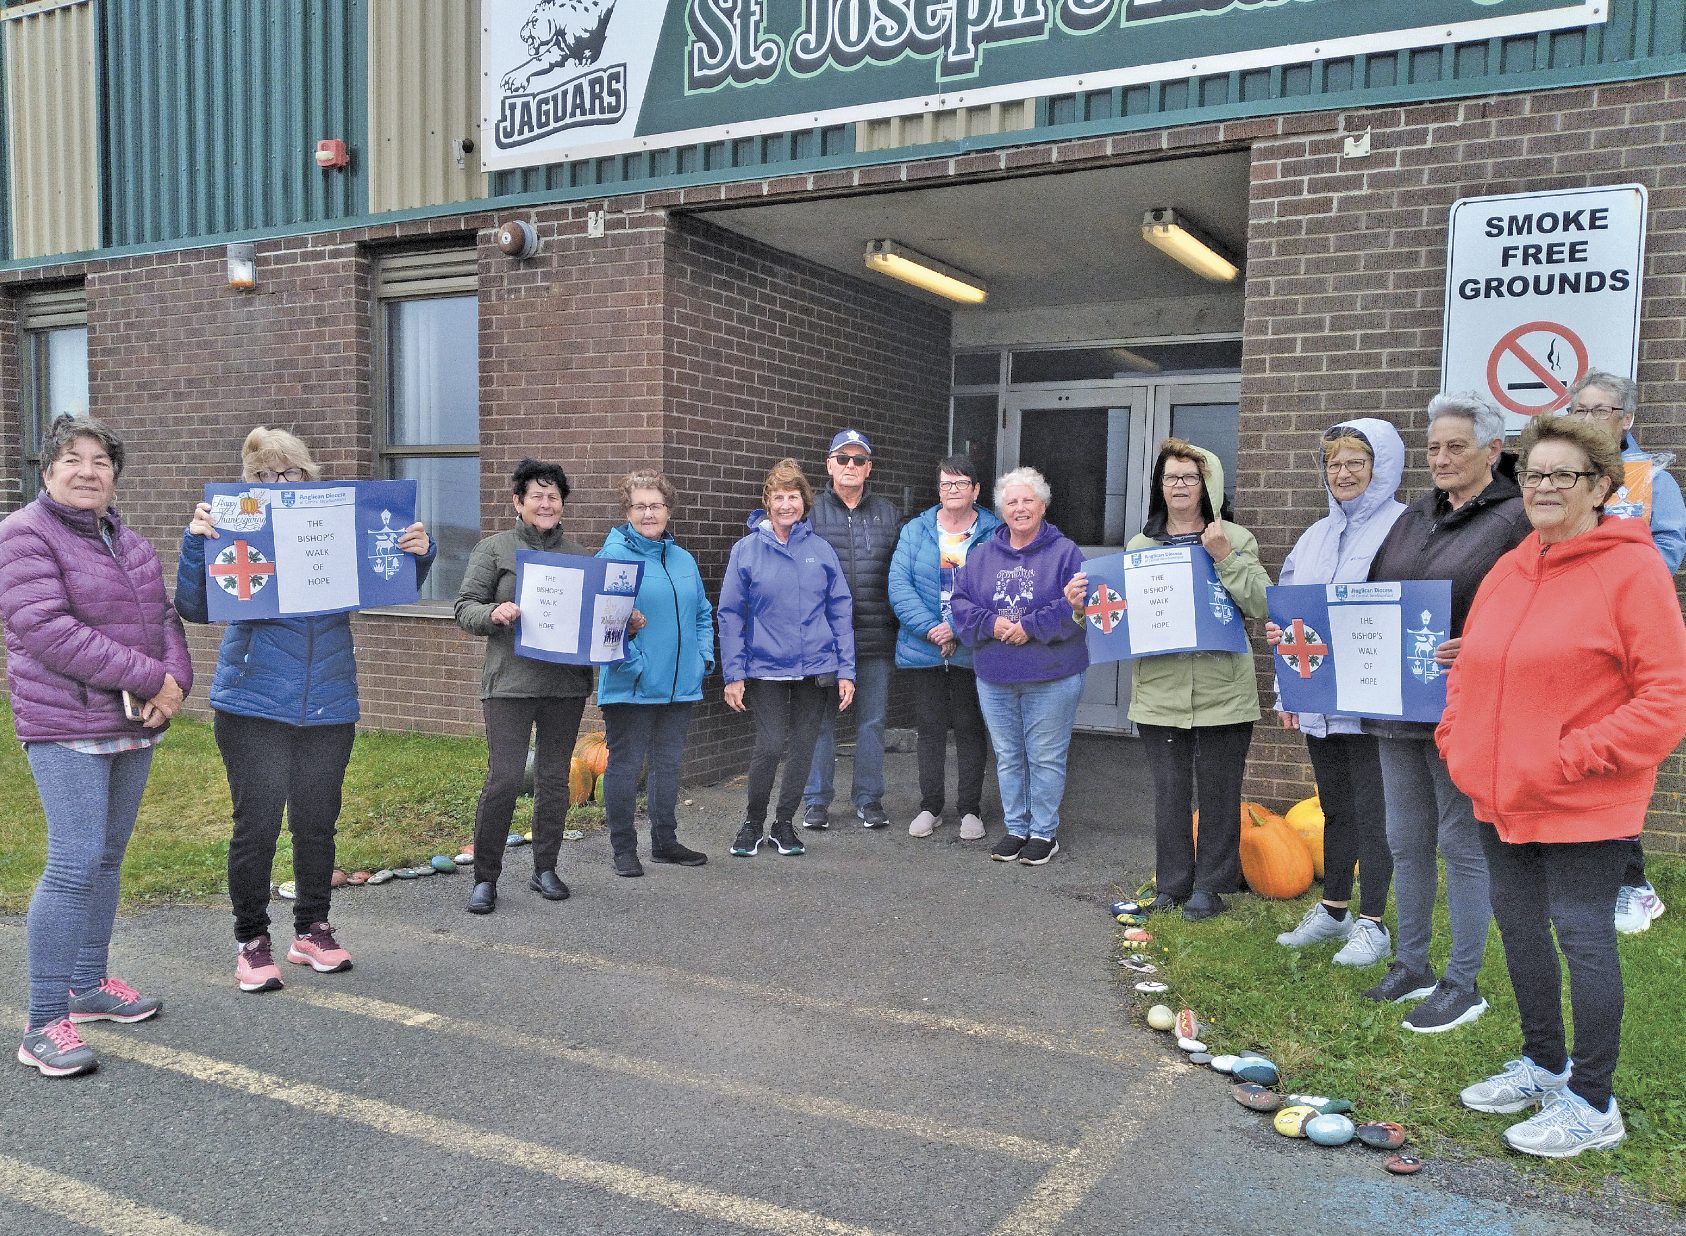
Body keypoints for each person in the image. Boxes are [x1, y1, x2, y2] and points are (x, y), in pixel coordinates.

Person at [1442, 414, 1686, 1158]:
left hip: (1584, 798)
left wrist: (1569, 757)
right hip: (1502, 792)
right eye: (1533, 474)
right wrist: (1458, 740)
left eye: (1563, 475)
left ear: (1602, 486)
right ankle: (1545, 1062)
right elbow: (1474, 666)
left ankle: (1593, 1102)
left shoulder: (1632, 570)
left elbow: (1666, 699)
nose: (1543, 486)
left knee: (1583, 939)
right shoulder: (1512, 566)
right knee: (1519, 932)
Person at [178, 427, 433, 990]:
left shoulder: (339, 523)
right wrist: (198, 543)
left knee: (317, 826)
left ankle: (312, 930)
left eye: (290, 471)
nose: (279, 482)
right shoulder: (233, 527)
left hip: (329, 704)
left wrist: (418, 553)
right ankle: (252, 941)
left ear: (308, 476)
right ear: (249, 483)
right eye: (265, 475)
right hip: (253, 704)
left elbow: (386, 581)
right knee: (257, 827)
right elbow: (195, 606)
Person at [2, 416, 191, 1076]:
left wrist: (175, 684)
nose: (87, 471)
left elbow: (163, 619)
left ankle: (87, 986)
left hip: (129, 724)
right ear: (47, 470)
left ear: (115, 475)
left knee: (107, 858)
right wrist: (150, 679)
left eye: (101, 461)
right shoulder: (23, 535)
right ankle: (42, 1023)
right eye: (72, 459)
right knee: (74, 861)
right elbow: (47, 629)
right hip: (64, 725)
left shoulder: (128, 541)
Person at [1361, 391, 1531, 1032]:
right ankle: (1412, 964)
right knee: (1405, 839)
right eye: (1433, 448)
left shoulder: (1516, 519)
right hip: (1398, 706)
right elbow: (1372, 595)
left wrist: (1483, 643)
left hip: (1465, 705)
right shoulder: (1413, 517)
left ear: (1493, 451)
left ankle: (1463, 982)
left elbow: (1534, 607)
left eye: (1456, 446)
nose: (1441, 458)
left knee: (1460, 843)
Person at [1265, 420, 1406, 963]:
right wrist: (1289, 694)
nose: (1343, 473)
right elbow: (1290, 619)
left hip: (1373, 701)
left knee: (1375, 812)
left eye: (1356, 463)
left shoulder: (1404, 528)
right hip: (1321, 695)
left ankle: (1374, 923)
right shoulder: (1312, 537)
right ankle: (1334, 909)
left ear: (1381, 468)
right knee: (1336, 807)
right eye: (1334, 463)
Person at [1123, 441, 1270, 919]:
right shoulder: (1139, 547)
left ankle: (1211, 886)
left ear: (1209, 486)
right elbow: (1121, 619)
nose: (1180, 485)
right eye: (1171, 477)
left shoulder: (1237, 538)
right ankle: (1172, 886)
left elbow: (1263, 605)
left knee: (1219, 792)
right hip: (1160, 693)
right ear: (1159, 486)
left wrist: (1225, 557)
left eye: (1190, 476)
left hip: (1222, 691)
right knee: (1169, 794)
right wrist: (1083, 607)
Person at [1563, 370, 1683, 935]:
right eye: (1578, 410)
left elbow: (1669, 546)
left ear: (1627, 418)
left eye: (1599, 411)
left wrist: (1622, 588)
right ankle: (1601, 877)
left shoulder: (1651, 479)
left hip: (1623, 638)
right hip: (1569, 637)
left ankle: (1633, 884)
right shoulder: (1563, 475)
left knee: (1617, 756)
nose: (1587, 420)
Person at [455, 458, 590, 915]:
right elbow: (464, 608)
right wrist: (492, 613)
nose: (546, 503)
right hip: (509, 684)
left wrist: (621, 624)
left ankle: (545, 868)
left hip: (565, 685)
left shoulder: (580, 557)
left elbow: (592, 620)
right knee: (505, 779)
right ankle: (485, 877)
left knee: (553, 779)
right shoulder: (494, 549)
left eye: (554, 496)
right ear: (518, 502)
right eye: (537, 495)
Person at [950, 466, 1088, 866]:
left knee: (1044, 757)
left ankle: (1044, 833)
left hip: (1053, 675)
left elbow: (1079, 608)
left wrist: (1031, 626)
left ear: (1043, 506)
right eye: (1011, 502)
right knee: (1009, 756)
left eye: (1029, 500)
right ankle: (1016, 828)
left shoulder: (1066, 553)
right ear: (1001, 510)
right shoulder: (981, 555)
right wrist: (990, 623)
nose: (1020, 508)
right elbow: (960, 604)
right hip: (995, 676)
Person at [719, 459, 855, 858]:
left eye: (793, 497)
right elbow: (730, 615)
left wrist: (846, 670)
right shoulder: (745, 551)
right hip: (765, 668)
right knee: (771, 743)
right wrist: (733, 674)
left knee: (803, 747)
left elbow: (840, 611)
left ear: (804, 502)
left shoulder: (821, 550)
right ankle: (752, 823)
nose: (785, 505)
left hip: (817, 667)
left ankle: (783, 824)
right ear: (768, 501)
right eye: (778, 497)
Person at [596, 471, 714, 876]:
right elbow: (604, 625)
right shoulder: (613, 558)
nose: (649, 513)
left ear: (668, 510)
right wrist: (636, 667)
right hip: (631, 686)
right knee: (625, 767)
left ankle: (665, 842)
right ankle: (623, 849)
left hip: (679, 686)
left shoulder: (683, 559)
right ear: (627, 511)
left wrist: (701, 659)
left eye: (656, 505)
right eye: (640, 506)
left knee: (667, 766)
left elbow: (702, 614)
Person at [888, 453, 1001, 841]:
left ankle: (970, 809)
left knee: (970, 727)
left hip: (972, 647)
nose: (953, 489)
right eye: (946, 483)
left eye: (961, 482)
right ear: (938, 490)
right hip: (925, 647)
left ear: (976, 490)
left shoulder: (994, 532)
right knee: (930, 728)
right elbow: (899, 585)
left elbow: (995, 589)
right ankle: (930, 806)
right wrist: (932, 630)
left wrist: (954, 629)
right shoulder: (916, 530)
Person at [802, 429, 900, 830]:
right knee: (820, 724)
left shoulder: (888, 513)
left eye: (859, 460)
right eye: (843, 458)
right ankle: (816, 800)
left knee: (872, 722)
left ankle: (869, 799)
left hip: (875, 636)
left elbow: (900, 573)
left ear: (868, 468)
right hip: (824, 640)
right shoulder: (810, 512)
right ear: (829, 465)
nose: (850, 466)